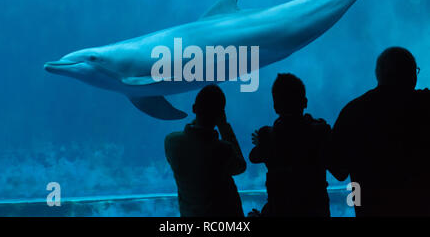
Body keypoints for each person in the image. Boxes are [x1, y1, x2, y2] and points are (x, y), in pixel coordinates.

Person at [327, 47, 430, 216]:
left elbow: (338, 170)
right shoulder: (426, 105)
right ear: (413, 75)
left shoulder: (354, 112)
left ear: (378, 74)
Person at [249, 73, 330, 217]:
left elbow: (254, 157)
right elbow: (340, 170)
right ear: (305, 102)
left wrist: (263, 142)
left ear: (275, 107)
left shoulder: (268, 135)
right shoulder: (320, 131)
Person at [165, 85, 246, 217]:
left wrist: (198, 121)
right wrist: (224, 127)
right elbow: (240, 166)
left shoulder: (171, 142)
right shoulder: (223, 149)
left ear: (194, 108)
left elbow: (194, 142)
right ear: (221, 115)